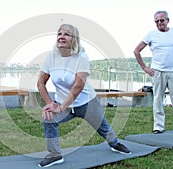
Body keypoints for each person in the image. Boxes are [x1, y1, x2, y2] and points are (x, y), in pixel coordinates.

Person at [37, 24, 131, 168]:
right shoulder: (51, 57)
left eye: (66, 34)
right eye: (59, 33)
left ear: (74, 39)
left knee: (103, 128)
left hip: (86, 102)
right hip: (62, 103)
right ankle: (55, 155)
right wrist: (51, 104)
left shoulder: (81, 57)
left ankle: (114, 144)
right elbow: (40, 83)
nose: (61, 36)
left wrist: (61, 107)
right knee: (49, 119)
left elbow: (78, 86)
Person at [133, 11, 173, 137]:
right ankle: (158, 127)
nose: (159, 23)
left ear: (167, 20)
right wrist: (145, 68)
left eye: (161, 20)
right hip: (158, 72)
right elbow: (136, 51)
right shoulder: (151, 35)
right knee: (157, 100)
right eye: (156, 21)